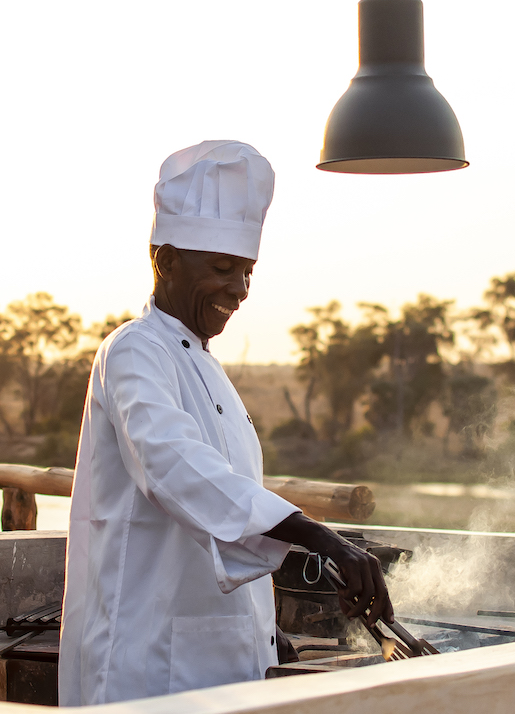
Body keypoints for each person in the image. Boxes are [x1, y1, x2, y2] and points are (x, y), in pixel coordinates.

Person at [59, 140, 392, 706]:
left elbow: (231, 507)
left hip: (230, 663)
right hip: (150, 665)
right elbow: (176, 467)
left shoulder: (210, 370)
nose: (237, 291)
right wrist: (318, 535)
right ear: (163, 259)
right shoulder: (134, 351)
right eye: (221, 268)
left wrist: (273, 631)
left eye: (247, 272)